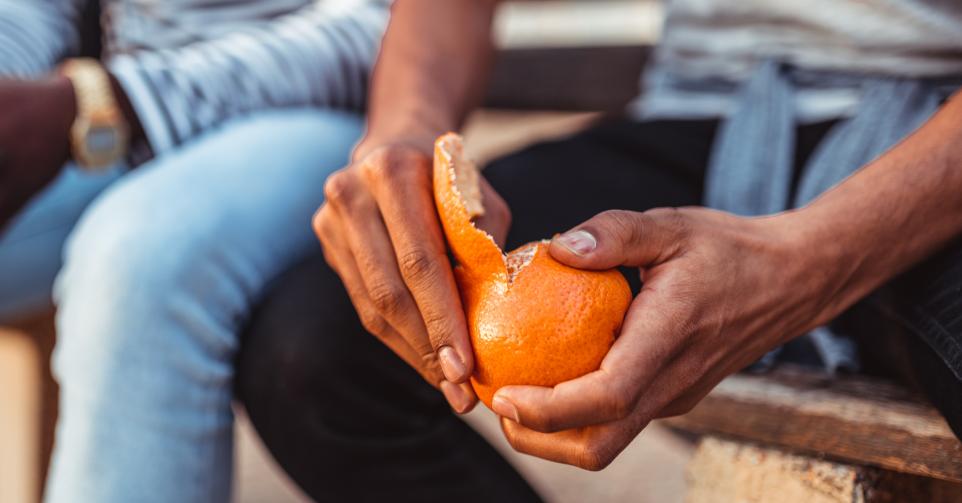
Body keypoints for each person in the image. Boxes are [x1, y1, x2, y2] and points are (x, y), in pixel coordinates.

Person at [235, 0, 962, 500]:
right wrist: (408, 130)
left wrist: (808, 260)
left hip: (934, 135)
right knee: (310, 349)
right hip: (699, 115)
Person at [0, 0, 389, 501]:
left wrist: (117, 98)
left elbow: (393, 33)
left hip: (329, 111)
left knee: (139, 262)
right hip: (117, 112)